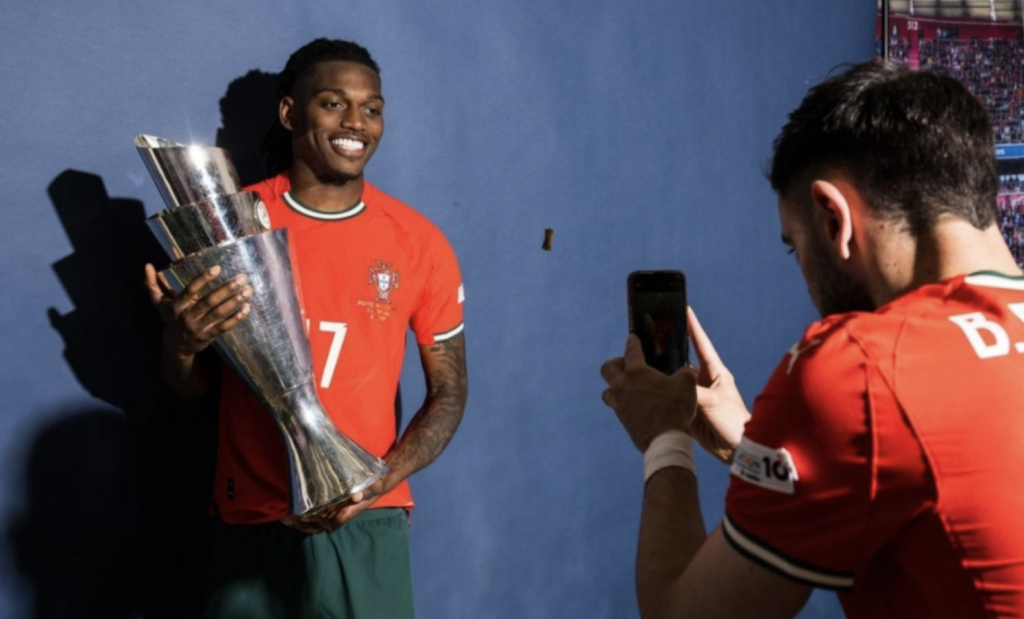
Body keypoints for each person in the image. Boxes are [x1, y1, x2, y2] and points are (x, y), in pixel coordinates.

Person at [600, 61, 1024, 618]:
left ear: (832, 218)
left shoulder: (864, 367)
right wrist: (753, 447)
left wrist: (663, 435)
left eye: (794, 246)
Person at [144, 38, 468, 619]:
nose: (356, 123)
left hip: (364, 519)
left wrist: (376, 480)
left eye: (372, 108)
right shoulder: (230, 227)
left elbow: (449, 392)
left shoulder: (418, 242)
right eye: (333, 103)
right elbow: (189, 388)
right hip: (253, 519)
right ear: (291, 112)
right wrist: (182, 345)